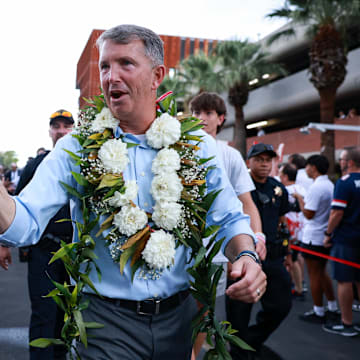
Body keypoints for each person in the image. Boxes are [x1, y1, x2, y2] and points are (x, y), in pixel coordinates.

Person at [0, 25, 266, 360]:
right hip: (103, 325)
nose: (111, 77)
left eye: (126, 63)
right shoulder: (76, 148)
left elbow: (230, 218)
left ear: (157, 75)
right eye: (105, 66)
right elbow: (25, 223)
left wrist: (246, 256)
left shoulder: (198, 147)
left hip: (180, 319)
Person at [189, 92, 266, 358]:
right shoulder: (177, 146)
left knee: (202, 312)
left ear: (221, 119)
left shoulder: (229, 155)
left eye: (208, 113)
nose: (202, 119)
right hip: (177, 248)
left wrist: (257, 237)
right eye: (197, 113)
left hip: (215, 251)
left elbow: (247, 203)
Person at [0, 109, 74, 360]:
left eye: (66, 126)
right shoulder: (35, 165)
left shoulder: (83, 160)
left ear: (73, 129)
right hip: (45, 251)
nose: (61, 131)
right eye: (57, 126)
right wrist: (3, 244)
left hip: (75, 254)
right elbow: (15, 207)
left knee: (68, 318)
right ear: (50, 131)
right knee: (44, 315)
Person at [226, 143, 292, 359]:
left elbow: (283, 221)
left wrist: (287, 251)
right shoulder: (240, 188)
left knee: (281, 305)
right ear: (249, 162)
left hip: (272, 256)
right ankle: (238, 352)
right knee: (238, 315)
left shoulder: (278, 189)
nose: (264, 164)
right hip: (242, 257)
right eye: (259, 159)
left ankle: (251, 342)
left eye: (268, 160)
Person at [293, 155, 338, 323]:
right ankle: (332, 307)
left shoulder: (317, 187)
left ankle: (318, 311)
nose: (306, 169)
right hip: (324, 235)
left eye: (308, 166)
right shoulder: (329, 185)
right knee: (322, 273)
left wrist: (299, 199)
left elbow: (308, 214)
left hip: (313, 237)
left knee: (314, 275)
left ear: (314, 167)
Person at [322, 148, 360, 336]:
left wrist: (328, 233)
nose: (341, 162)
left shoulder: (344, 183)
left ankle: (347, 323)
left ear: (350, 163)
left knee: (345, 281)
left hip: (347, 240)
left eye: (343, 159)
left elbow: (337, 212)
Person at [279, 163, 306, 299]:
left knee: (291, 259)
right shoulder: (302, 188)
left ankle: (298, 288)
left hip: (289, 229)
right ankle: (297, 285)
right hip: (300, 228)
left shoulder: (285, 190)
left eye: (281, 174)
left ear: (285, 176)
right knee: (294, 258)